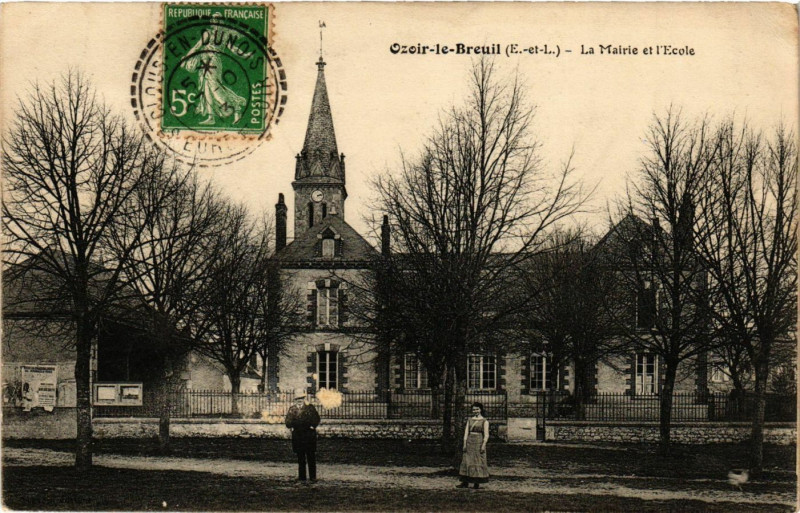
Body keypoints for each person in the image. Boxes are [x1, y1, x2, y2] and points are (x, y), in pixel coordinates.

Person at [285, 390, 321, 482]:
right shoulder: (292, 409)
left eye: (301, 398)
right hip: (298, 436)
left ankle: (313, 477)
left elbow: (316, 418)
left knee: (311, 456)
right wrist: (293, 425)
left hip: (309, 436)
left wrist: (312, 426)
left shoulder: (310, 408)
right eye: (297, 399)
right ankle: (302, 477)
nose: (299, 400)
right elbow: (288, 422)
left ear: (304, 399)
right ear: (295, 400)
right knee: (300, 457)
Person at [457, 402, 490, 489]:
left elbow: (486, 435)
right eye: (474, 409)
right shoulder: (470, 420)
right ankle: (465, 482)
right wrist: (464, 443)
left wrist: (483, 445)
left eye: (477, 409)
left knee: (477, 461)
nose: (475, 411)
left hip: (479, 442)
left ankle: (476, 482)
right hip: (469, 442)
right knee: (467, 461)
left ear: (481, 410)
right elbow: (466, 432)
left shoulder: (484, 421)